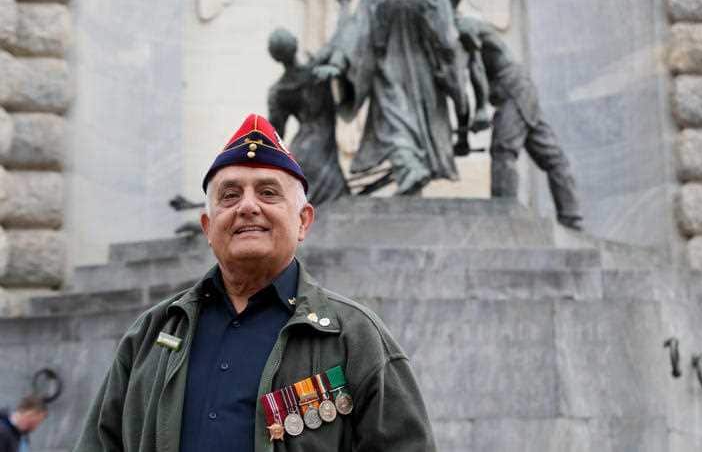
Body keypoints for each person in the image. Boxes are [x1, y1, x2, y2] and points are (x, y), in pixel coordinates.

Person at [73, 114, 436, 451]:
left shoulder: (355, 338)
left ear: (303, 222)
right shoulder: (151, 335)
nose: (247, 206)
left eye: (268, 192)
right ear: (207, 227)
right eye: (230, 195)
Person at [316, 0, 470, 195]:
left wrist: (339, 61)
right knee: (409, 129)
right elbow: (447, 42)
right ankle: (411, 171)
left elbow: (356, 32)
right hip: (425, 78)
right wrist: (455, 83)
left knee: (395, 126)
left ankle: (411, 170)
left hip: (388, 75)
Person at [442, 0, 584, 230]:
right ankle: (571, 216)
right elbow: (462, 83)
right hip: (517, 89)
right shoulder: (460, 29)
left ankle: (503, 213)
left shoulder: (463, 28)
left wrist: (481, 111)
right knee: (549, 152)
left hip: (512, 88)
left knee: (503, 151)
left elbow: (472, 73)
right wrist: (463, 138)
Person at [267, 27, 350, 205]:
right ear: (296, 44)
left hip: (300, 154)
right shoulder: (317, 72)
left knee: (312, 211)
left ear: (274, 57)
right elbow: (340, 35)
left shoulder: (278, 91)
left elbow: (274, 134)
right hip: (321, 151)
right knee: (334, 205)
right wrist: (344, 2)